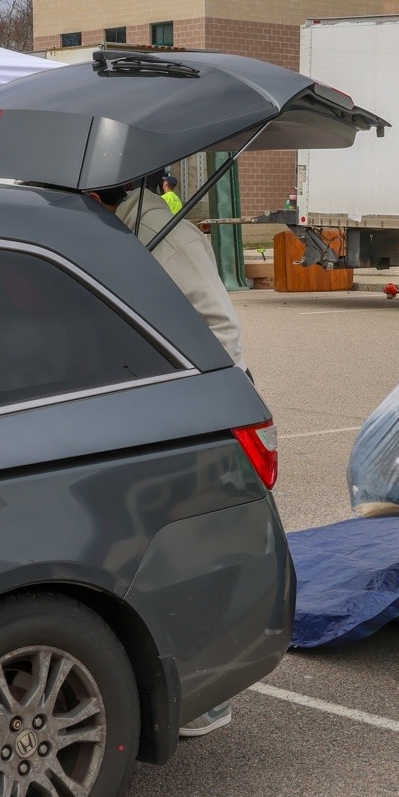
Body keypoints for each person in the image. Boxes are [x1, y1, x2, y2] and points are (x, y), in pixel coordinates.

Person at [89, 179, 246, 738]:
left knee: (183, 552)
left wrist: (213, 417)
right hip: (117, 407)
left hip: (179, 415)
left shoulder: (164, 235)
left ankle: (202, 691)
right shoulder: (85, 218)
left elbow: (220, 328)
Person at [92, 181, 246, 372]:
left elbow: (222, 328)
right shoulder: (123, 232)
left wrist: (188, 385)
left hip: (207, 382)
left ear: (94, 200)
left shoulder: (167, 239)